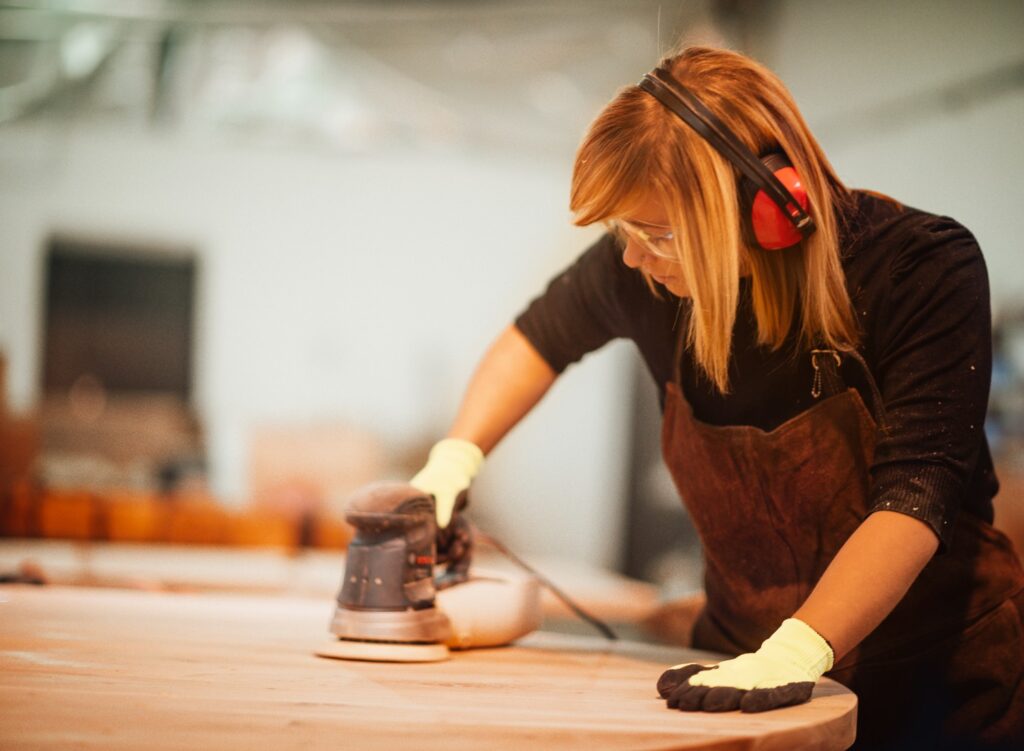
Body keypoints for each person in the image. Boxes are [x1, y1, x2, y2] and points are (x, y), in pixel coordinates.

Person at [409, 46, 1024, 748]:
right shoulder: (642, 271)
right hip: (745, 673)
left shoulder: (919, 269)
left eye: (658, 234)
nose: (633, 257)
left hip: (935, 691)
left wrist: (799, 649)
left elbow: (916, 497)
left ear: (766, 212)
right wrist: (453, 461)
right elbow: (536, 338)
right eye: (623, 232)